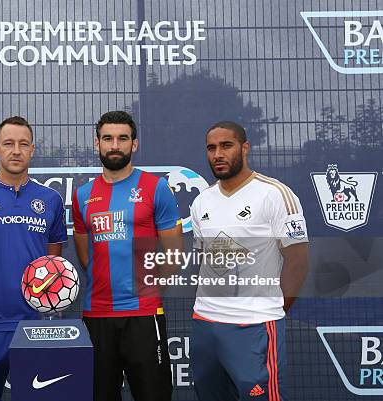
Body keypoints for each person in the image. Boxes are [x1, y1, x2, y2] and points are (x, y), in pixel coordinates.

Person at [189, 121, 310, 401]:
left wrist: (270, 309)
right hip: (206, 323)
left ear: (245, 148)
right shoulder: (201, 202)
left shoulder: (275, 194)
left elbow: (298, 261)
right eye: (211, 148)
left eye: (226, 146)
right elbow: (207, 260)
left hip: (254, 326)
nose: (218, 154)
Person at [72, 110, 183, 401]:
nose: (115, 145)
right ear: (97, 144)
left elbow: (173, 254)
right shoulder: (83, 195)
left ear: (134, 144)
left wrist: (147, 290)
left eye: (122, 138)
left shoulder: (155, 187)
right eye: (107, 138)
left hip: (143, 316)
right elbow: (86, 256)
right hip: (97, 317)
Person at [0, 116, 68, 401]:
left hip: (36, 324)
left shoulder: (51, 200)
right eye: (8, 143)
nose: (16, 150)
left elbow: (53, 261)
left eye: (23, 144)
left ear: (33, 150)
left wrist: (39, 296)